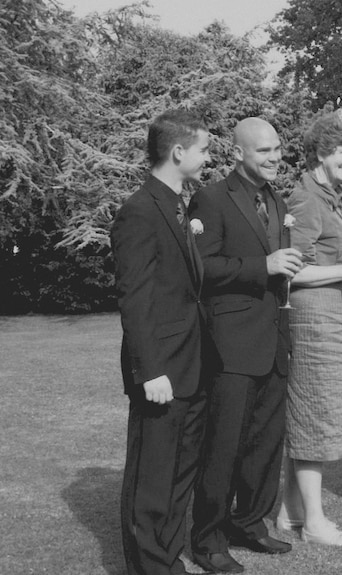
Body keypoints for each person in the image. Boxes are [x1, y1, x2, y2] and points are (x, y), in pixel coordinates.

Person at [188, 117, 303, 573]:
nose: (275, 157)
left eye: (277, 149)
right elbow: (201, 268)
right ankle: (208, 540)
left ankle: (250, 523)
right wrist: (264, 264)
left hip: (274, 339)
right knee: (223, 446)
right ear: (238, 153)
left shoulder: (275, 198)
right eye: (263, 151)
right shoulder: (212, 198)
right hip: (230, 344)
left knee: (264, 443)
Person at [274, 110, 342, 546]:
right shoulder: (307, 200)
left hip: (329, 318)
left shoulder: (326, 196)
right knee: (313, 420)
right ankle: (315, 524)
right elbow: (290, 272)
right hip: (312, 321)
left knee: (314, 416)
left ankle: (289, 513)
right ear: (321, 151)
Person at [112, 109, 211, 575]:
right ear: (178, 152)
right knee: (153, 475)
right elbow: (135, 299)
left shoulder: (177, 205)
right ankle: (149, 566)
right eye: (204, 149)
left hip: (191, 364)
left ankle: (168, 559)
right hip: (161, 369)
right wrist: (150, 369)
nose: (208, 158)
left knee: (180, 472)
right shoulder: (138, 210)